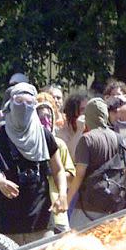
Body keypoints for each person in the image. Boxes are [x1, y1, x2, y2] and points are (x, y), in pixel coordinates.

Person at [0, 83, 67, 245]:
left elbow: (58, 169)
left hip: (41, 222)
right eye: (19, 102)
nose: (24, 107)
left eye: (29, 102)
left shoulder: (44, 135)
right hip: (7, 224)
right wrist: (0, 182)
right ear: (9, 105)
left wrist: (62, 194)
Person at [67, 98, 123, 229]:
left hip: (87, 205)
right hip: (111, 201)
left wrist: (67, 201)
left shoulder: (87, 139)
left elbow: (79, 175)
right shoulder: (119, 138)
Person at [36, 94, 74, 233]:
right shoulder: (30, 147)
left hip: (58, 212)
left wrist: (54, 173)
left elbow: (71, 175)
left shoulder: (59, 144)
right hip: (38, 215)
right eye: (41, 117)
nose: (46, 121)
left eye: (48, 117)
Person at [57, 93, 88, 158]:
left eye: (87, 109)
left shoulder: (91, 127)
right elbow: (71, 156)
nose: (86, 112)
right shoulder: (62, 133)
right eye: (82, 109)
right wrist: (79, 131)